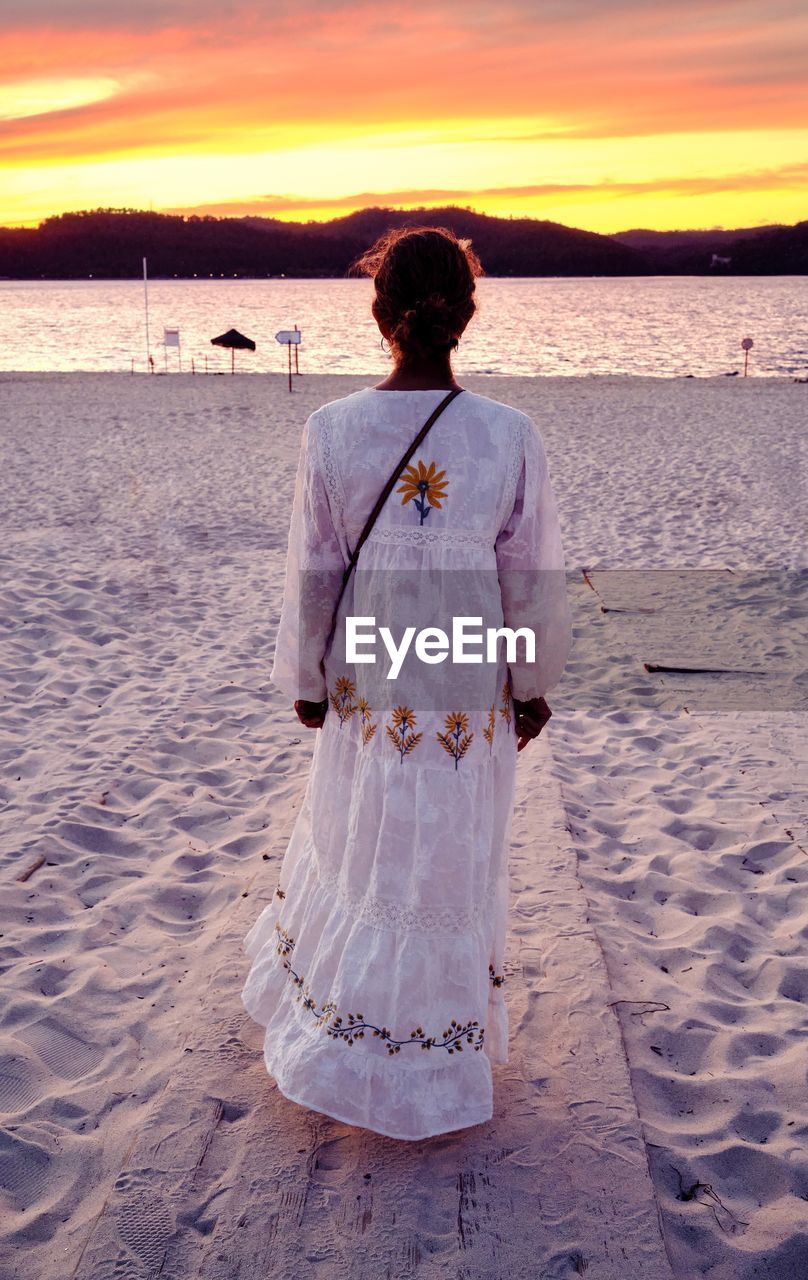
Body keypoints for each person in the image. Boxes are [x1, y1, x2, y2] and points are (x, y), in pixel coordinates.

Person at [240, 226, 570, 1140]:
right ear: (464, 315)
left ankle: (349, 1028)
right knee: (449, 843)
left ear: (379, 314)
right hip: (465, 672)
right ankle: (429, 1043)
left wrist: (307, 677)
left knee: (361, 832)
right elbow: (529, 575)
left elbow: (314, 569)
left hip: (369, 670)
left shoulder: (333, 429)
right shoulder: (509, 434)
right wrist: (532, 682)